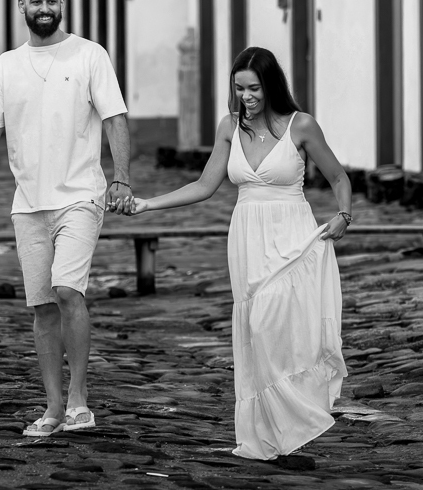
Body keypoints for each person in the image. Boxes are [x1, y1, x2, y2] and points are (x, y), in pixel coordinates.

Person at [130, 47, 350, 460]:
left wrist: (344, 214)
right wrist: (148, 204)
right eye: (238, 88)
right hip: (248, 238)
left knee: (283, 330)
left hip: (292, 237)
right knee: (258, 331)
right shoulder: (230, 127)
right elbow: (203, 185)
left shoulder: (300, 126)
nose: (245, 96)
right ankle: (273, 435)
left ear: (271, 85)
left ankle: (297, 421)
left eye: (253, 88)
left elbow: (338, 177)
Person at [0, 0, 134, 438]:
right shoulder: (7, 65)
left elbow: (115, 119)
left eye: (52, 1)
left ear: (63, 3)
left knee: (68, 291)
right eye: (36, 2)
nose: (44, 9)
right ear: (21, 5)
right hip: (28, 203)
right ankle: (52, 408)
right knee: (43, 308)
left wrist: (122, 178)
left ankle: (79, 401)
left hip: (80, 196)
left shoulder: (90, 55)